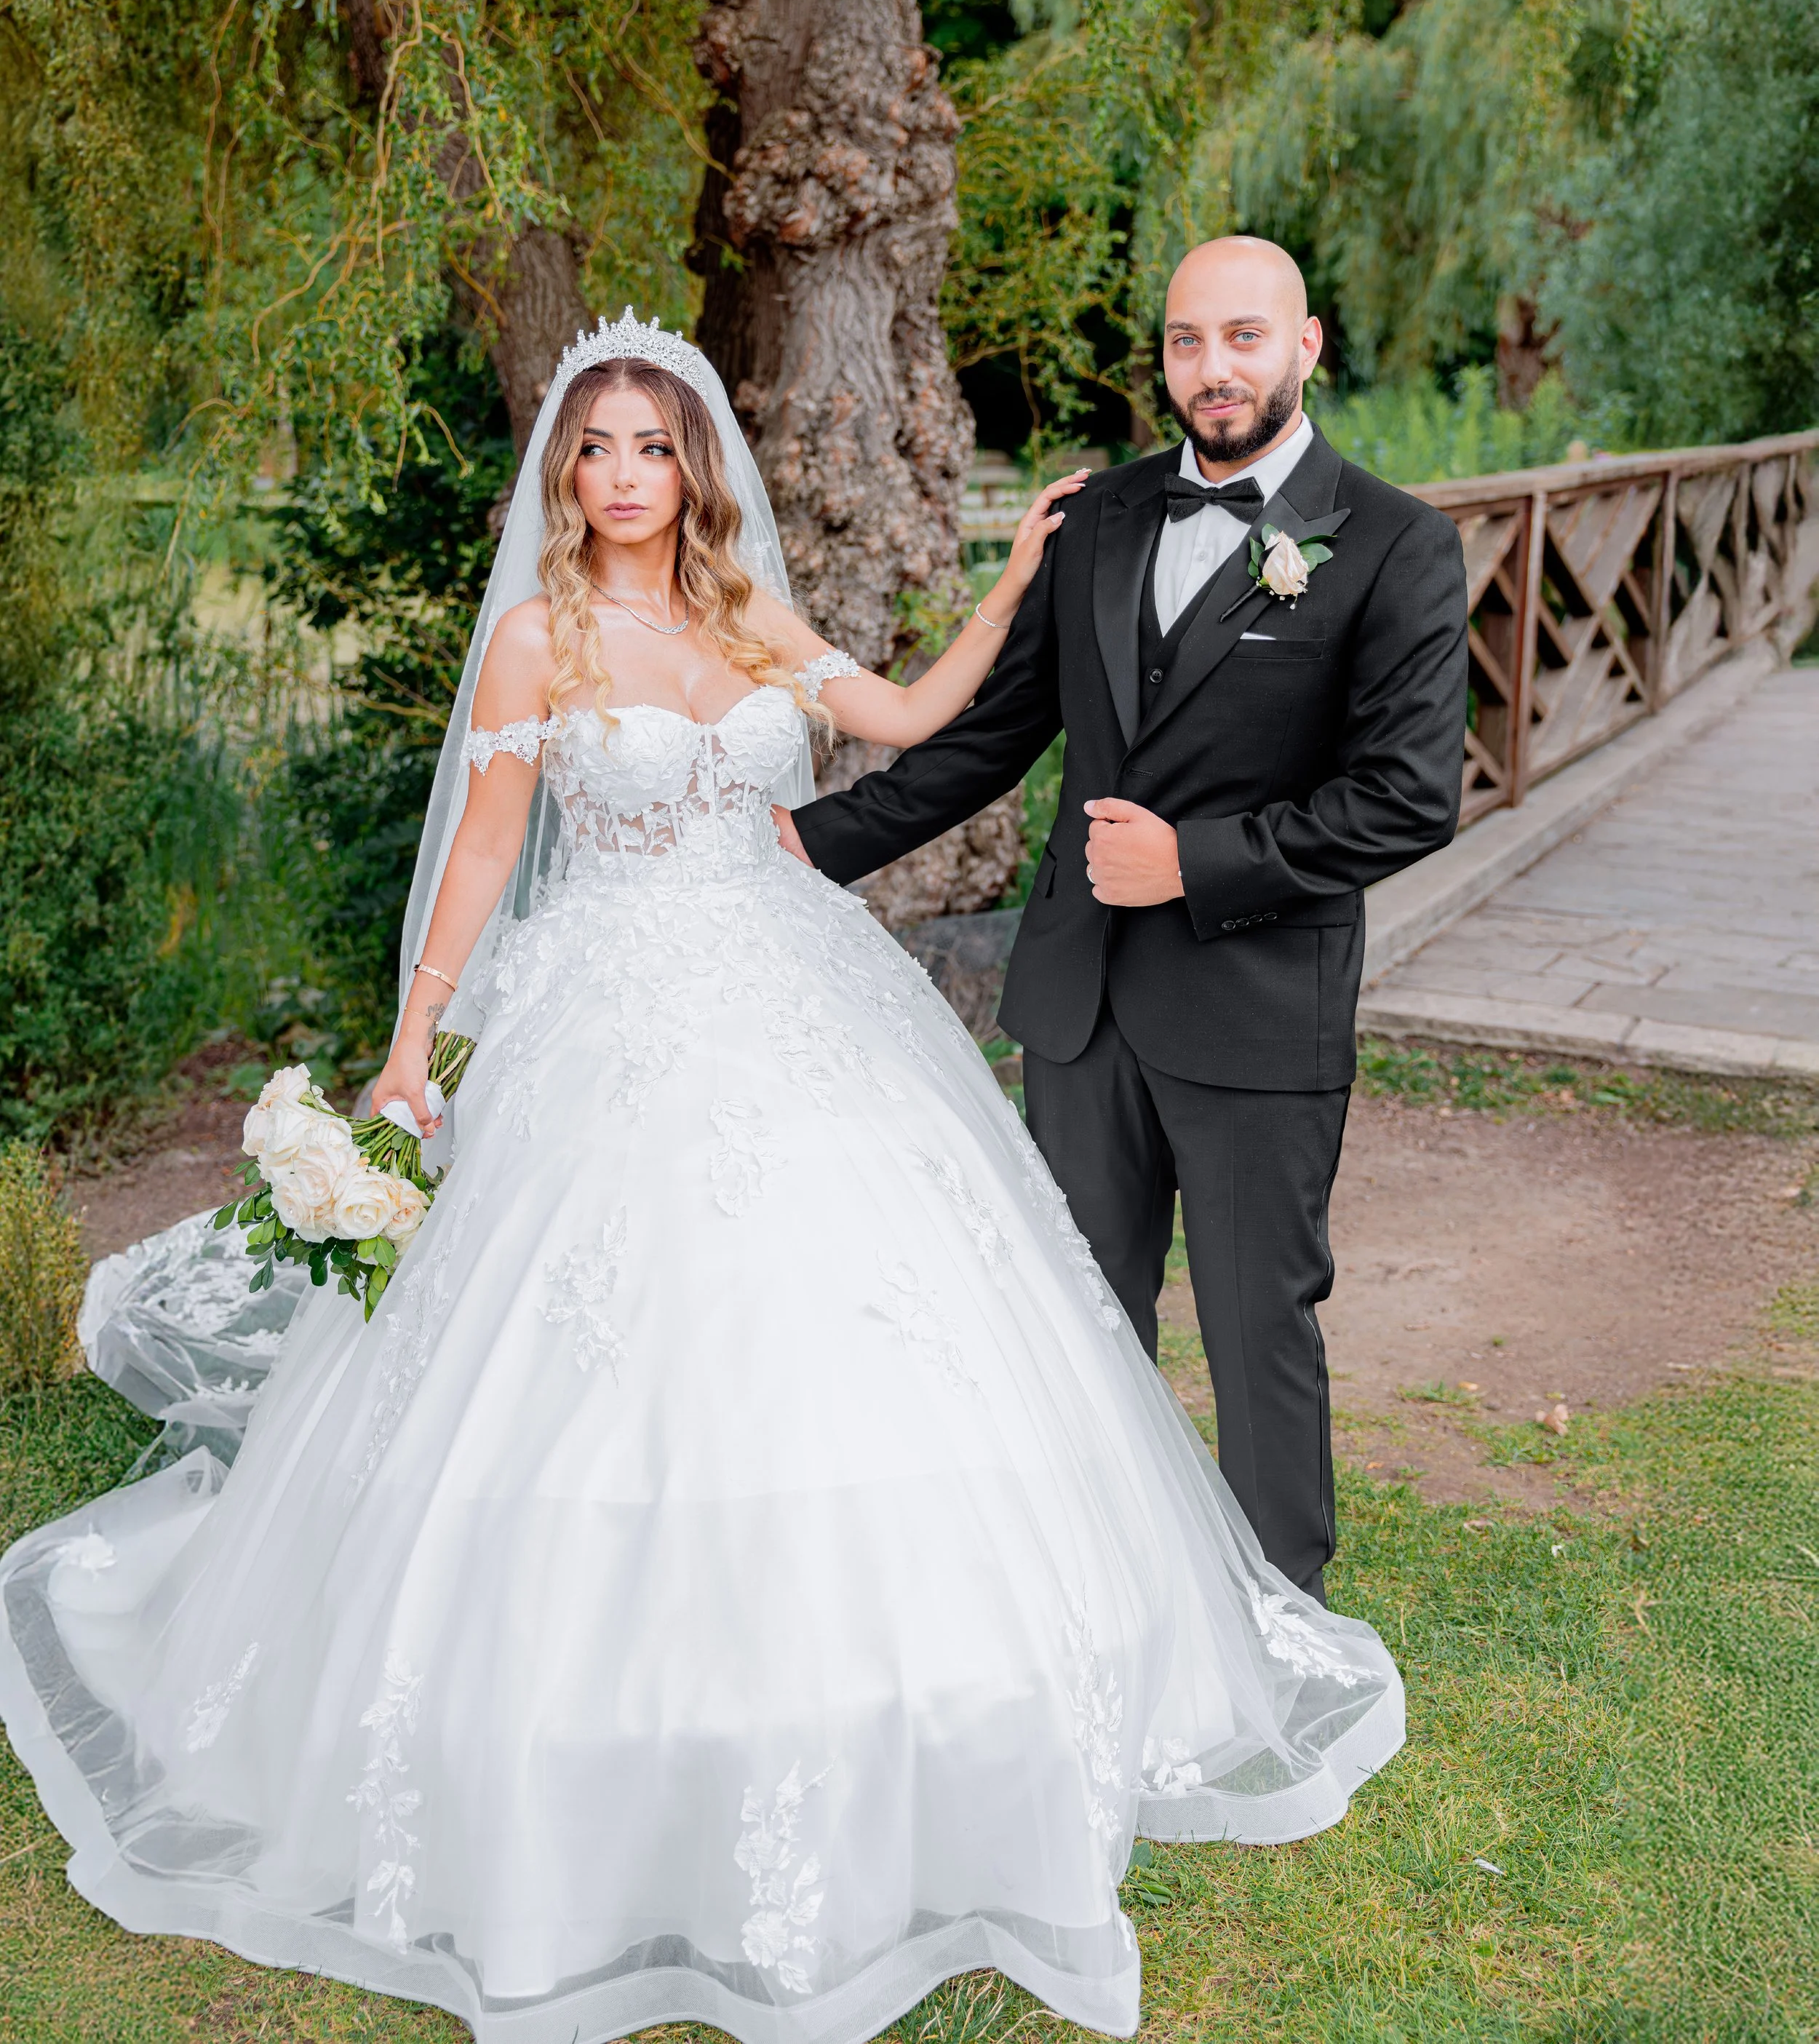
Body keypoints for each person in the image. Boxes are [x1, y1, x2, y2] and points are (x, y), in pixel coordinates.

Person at [0, 313, 1404, 2044]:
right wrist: (407, 1044)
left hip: (797, 992)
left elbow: (898, 716)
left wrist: (1010, 580)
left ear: (692, 468)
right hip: (603, 1015)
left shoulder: (745, 613)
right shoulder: (535, 636)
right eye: (591, 450)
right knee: (582, 1357)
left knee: (874, 1325)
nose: (619, 477)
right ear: (564, 477)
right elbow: (488, 855)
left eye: (648, 448)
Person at [777, 239, 1470, 1602]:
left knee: (1254, 1320)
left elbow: (1406, 800)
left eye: (1244, 339)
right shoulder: (1100, 517)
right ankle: (1097, 1589)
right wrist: (808, 844)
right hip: (1080, 1005)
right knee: (1082, 1317)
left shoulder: (1396, 543)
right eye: (1186, 343)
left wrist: (1195, 863)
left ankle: (1284, 1615)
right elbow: (993, 736)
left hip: (1255, 1006)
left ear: (1308, 345)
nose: (1213, 371)